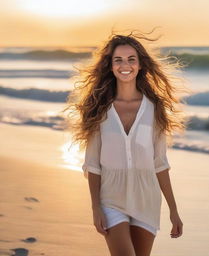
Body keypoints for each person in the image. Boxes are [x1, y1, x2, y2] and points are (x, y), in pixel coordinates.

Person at [64, 29, 189, 256]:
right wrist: (95, 208)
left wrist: (173, 210)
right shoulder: (98, 108)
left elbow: (159, 163)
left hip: (146, 199)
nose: (125, 65)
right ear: (110, 66)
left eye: (131, 59)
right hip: (111, 199)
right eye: (118, 60)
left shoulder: (154, 108)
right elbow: (92, 164)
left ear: (140, 65)